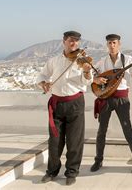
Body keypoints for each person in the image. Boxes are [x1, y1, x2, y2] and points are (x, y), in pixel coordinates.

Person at [37, 31, 93, 186]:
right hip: (56, 104)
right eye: (71, 40)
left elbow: (87, 82)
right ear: (64, 41)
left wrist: (87, 71)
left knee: (75, 141)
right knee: (54, 141)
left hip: (75, 103)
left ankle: (71, 172)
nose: (74, 43)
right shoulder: (54, 61)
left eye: (76, 41)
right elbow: (42, 75)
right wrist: (43, 83)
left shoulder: (82, 61)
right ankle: (52, 171)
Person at [90, 34, 132, 173]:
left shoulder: (127, 59)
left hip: (122, 99)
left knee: (127, 130)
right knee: (101, 131)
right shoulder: (103, 61)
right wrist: (96, 79)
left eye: (114, 43)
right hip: (105, 98)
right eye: (109, 43)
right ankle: (98, 160)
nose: (112, 45)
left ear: (119, 44)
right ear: (107, 45)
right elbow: (91, 75)